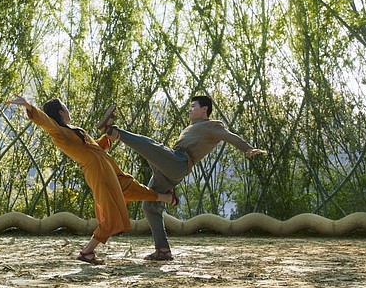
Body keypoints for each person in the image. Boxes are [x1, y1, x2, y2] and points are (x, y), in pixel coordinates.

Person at [5, 95, 177, 265]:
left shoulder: (73, 130)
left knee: (129, 186)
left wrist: (108, 137)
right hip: (98, 172)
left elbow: (95, 148)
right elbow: (47, 123)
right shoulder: (60, 132)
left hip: (106, 166)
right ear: (60, 112)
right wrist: (29, 106)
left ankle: (167, 198)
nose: (67, 109)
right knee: (111, 213)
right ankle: (87, 251)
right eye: (65, 106)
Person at [103, 95, 265, 261]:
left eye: (193, 106)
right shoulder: (191, 127)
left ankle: (114, 132)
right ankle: (163, 250)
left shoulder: (212, 125)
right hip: (168, 167)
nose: (190, 109)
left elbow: (229, 136)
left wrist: (248, 148)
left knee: (149, 144)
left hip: (178, 161)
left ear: (205, 109)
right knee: (149, 206)